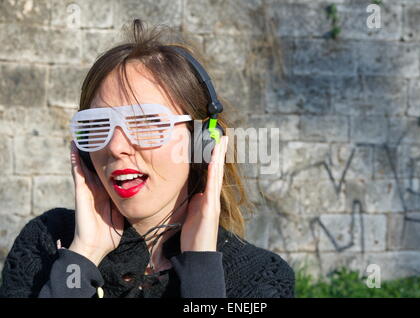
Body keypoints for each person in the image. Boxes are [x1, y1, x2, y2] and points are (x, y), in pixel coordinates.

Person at [0, 20, 295, 298]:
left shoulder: (261, 277)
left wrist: (201, 272)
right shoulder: (46, 243)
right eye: (99, 124)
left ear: (203, 141)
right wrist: (83, 256)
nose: (115, 147)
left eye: (145, 122)